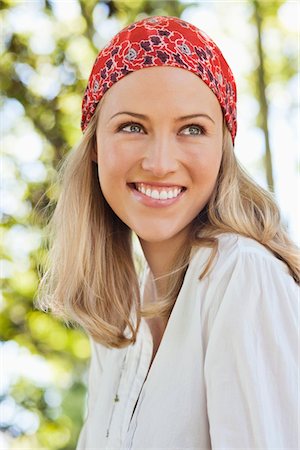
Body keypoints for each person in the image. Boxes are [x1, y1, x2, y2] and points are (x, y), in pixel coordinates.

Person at [38, 15, 299, 449]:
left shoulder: (243, 276)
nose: (160, 162)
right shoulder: (120, 322)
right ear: (97, 146)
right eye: (132, 127)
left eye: (192, 129)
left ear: (222, 150)